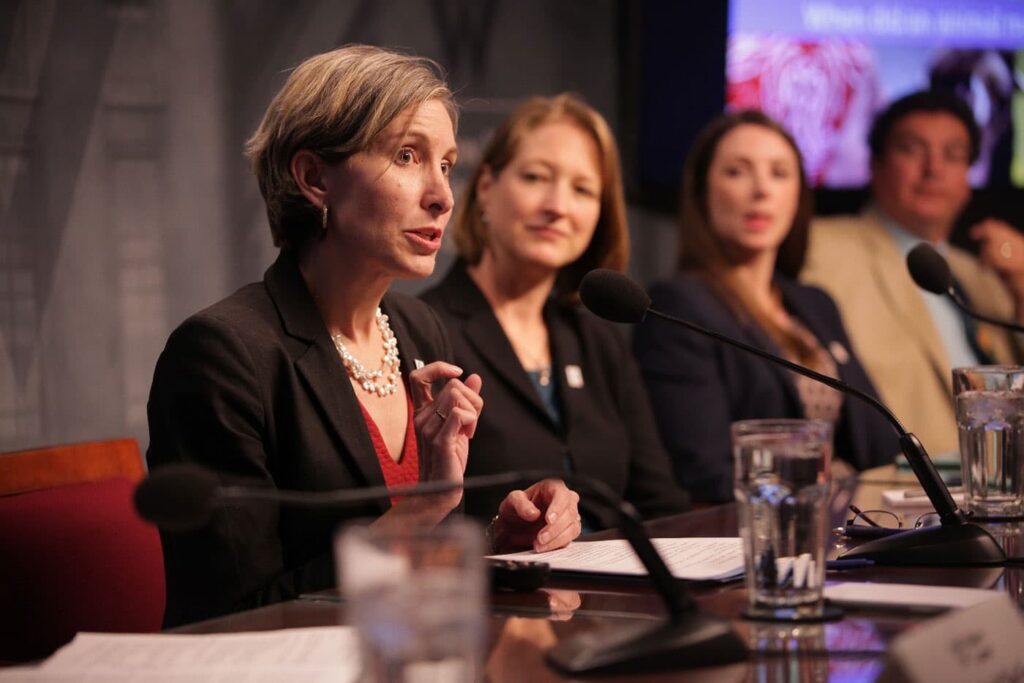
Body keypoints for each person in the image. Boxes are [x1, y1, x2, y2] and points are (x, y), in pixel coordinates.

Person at [146, 46, 582, 628]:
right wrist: (422, 510)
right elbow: (234, 615)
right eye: (407, 156)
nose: (443, 197)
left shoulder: (420, 328)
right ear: (314, 179)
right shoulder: (223, 356)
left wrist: (498, 534)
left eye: (447, 165)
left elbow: (425, 565)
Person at [421, 94, 690, 526]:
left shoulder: (598, 339)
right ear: (486, 188)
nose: (558, 206)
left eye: (582, 189)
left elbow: (661, 502)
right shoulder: (425, 329)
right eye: (535, 177)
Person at [633, 110, 898, 504]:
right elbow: (706, 474)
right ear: (703, 193)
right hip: (756, 540)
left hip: (853, 529)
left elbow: (882, 441)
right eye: (737, 172)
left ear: (797, 197)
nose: (761, 190)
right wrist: (832, 486)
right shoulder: (679, 307)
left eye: (779, 173)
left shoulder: (815, 303)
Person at [802, 91, 1024, 456]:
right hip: (895, 493)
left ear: (969, 177)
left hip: (999, 489)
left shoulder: (987, 275)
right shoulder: (821, 247)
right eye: (912, 150)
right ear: (875, 165)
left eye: (953, 155)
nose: (934, 168)